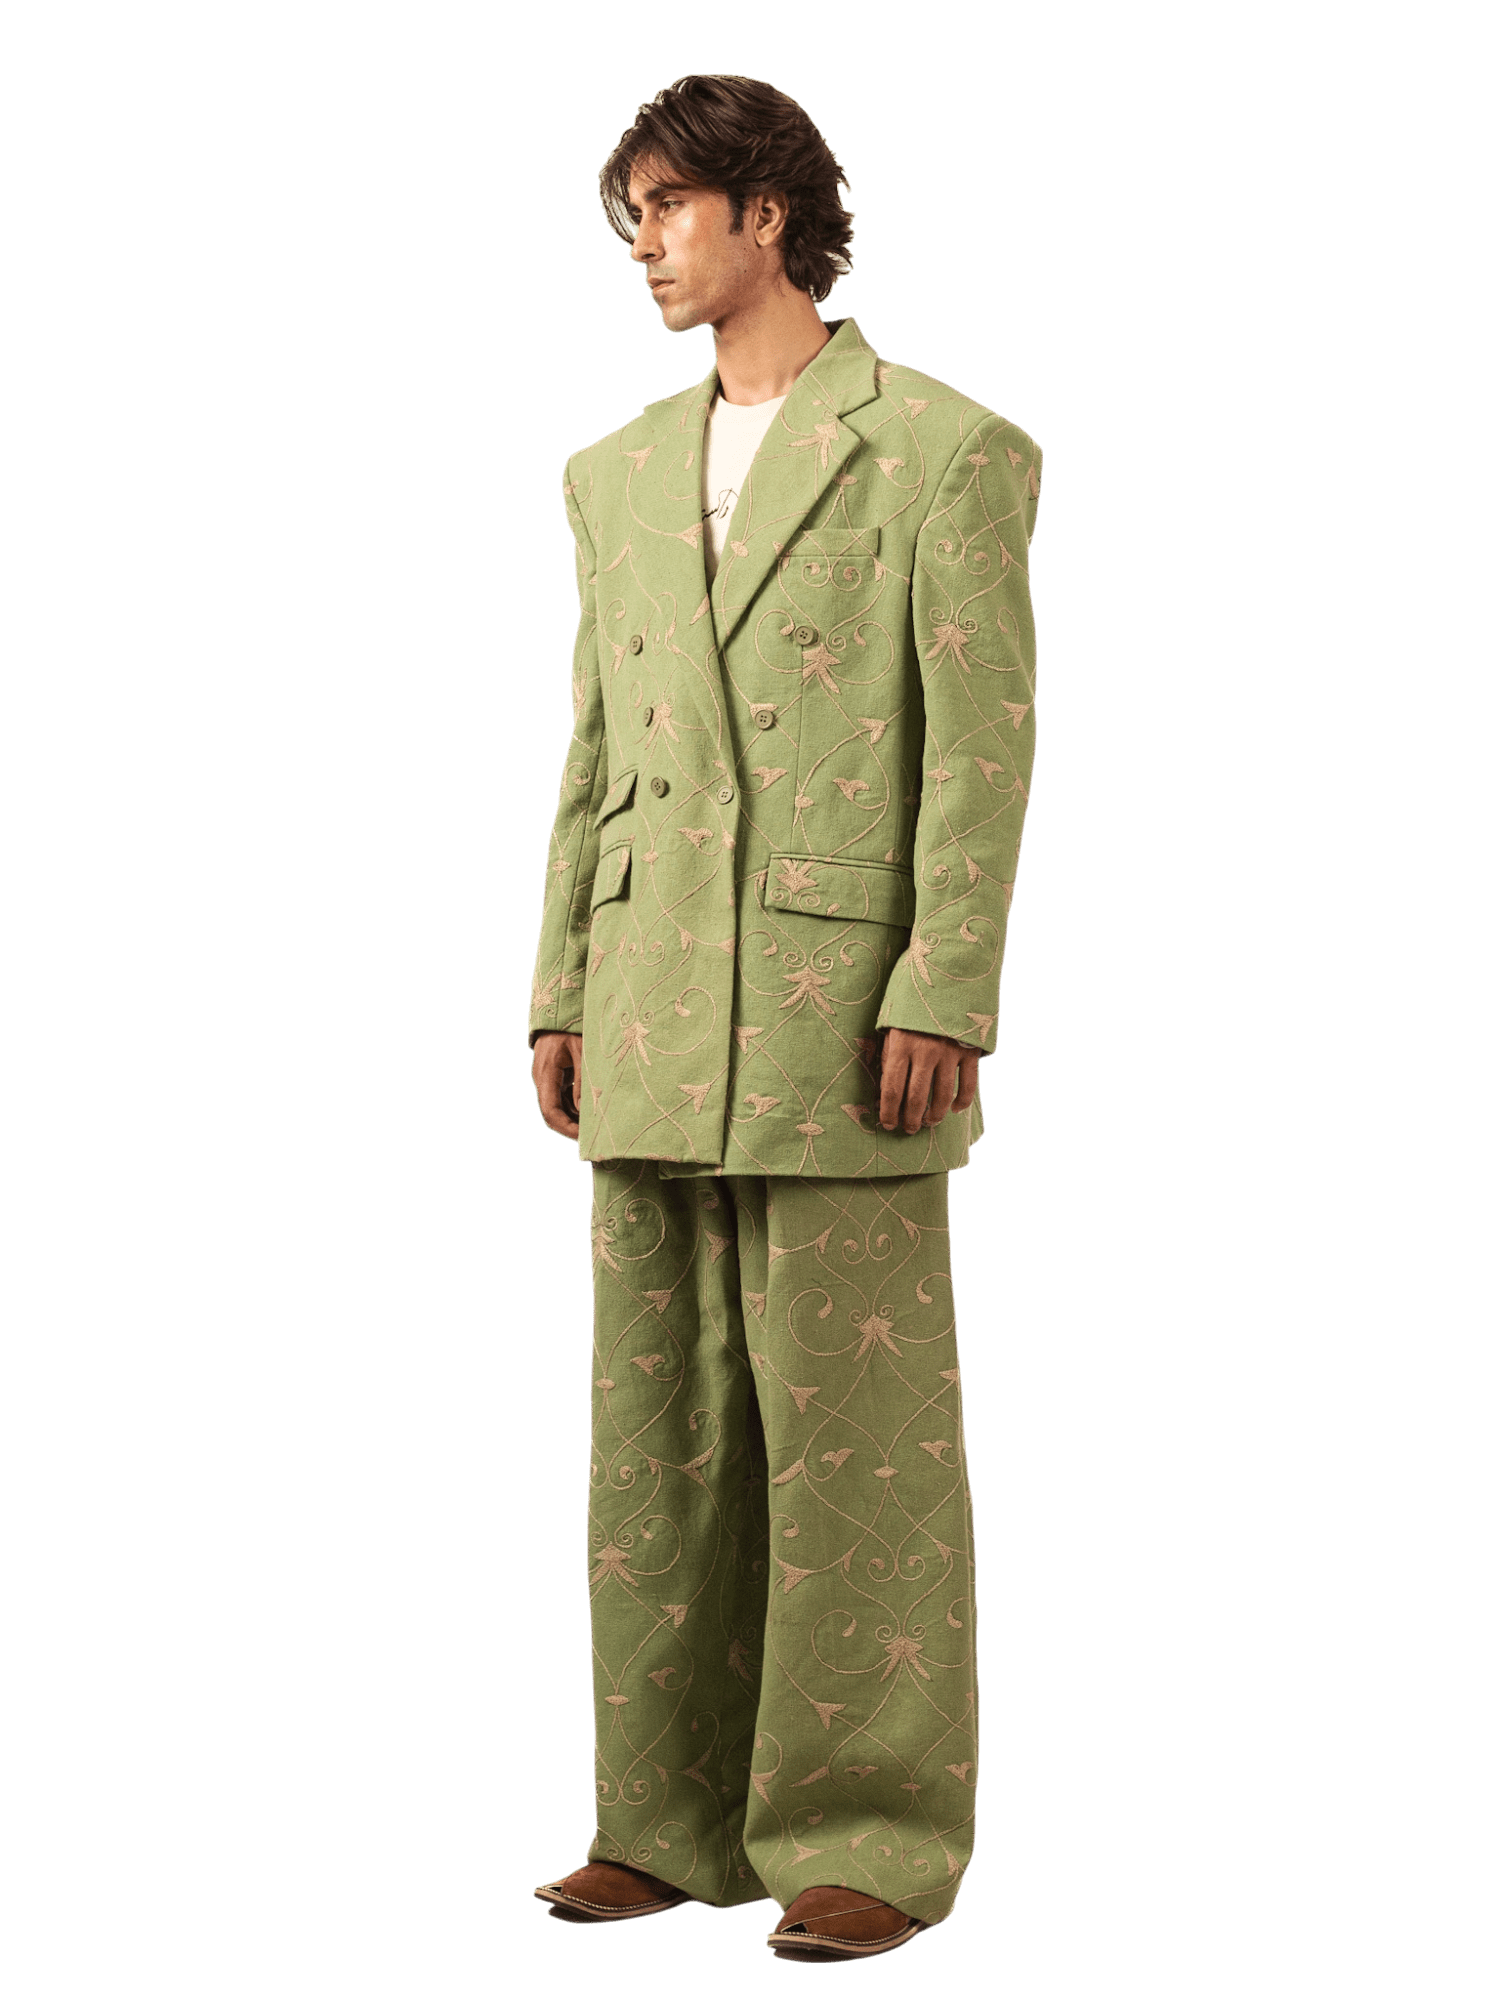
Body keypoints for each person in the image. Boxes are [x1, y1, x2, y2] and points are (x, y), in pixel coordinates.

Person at [526, 73, 1042, 1965]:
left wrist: (947, 979)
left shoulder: (945, 451)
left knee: (854, 1439)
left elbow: (981, 747)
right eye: (631, 217)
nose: (644, 244)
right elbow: (593, 747)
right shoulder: (607, 474)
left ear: (768, 212)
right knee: (655, 1435)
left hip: (844, 1012)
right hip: (649, 999)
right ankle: (663, 1822)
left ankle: (872, 1837)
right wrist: (559, 981)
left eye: (669, 206)